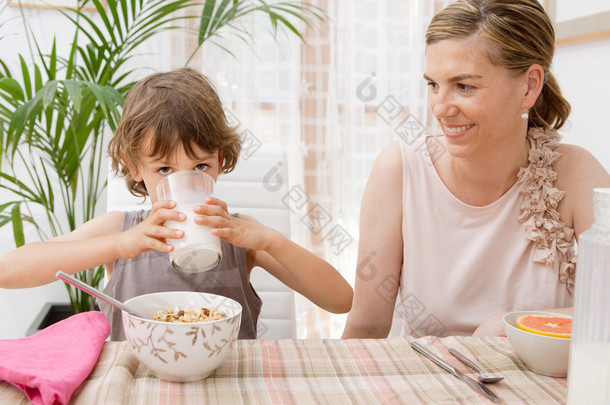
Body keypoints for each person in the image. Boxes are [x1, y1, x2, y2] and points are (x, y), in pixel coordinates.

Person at [0, 68, 353, 340]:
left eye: (200, 166)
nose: (184, 183)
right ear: (134, 165)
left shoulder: (243, 236)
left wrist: (270, 241)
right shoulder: (121, 231)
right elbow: (9, 271)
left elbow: (340, 300)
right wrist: (120, 245)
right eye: (165, 169)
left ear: (222, 157)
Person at [342, 0, 610, 339]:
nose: (440, 107)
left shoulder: (574, 174)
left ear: (529, 86)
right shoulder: (401, 170)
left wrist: (505, 326)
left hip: (541, 389)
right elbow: (367, 326)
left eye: (464, 86)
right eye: (433, 85)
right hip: (431, 384)